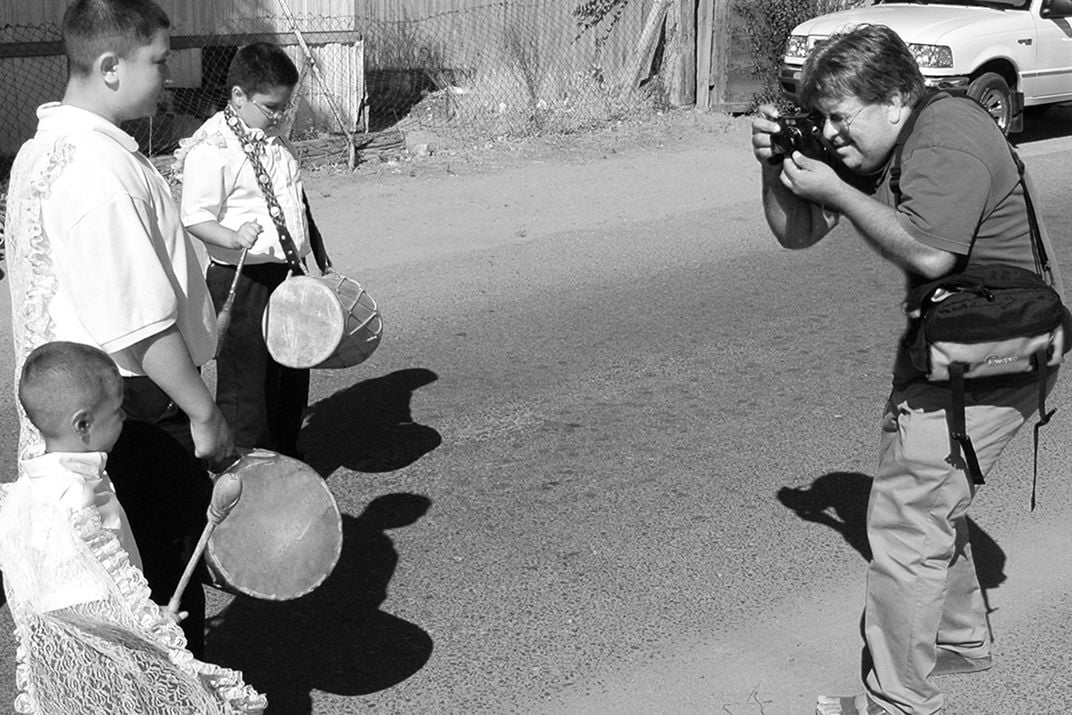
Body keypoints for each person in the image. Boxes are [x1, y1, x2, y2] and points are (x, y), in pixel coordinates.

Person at [750, 24, 1062, 715]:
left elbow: (928, 255)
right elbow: (797, 233)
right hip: (956, 345)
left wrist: (836, 189)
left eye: (841, 118)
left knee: (905, 523)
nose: (830, 134)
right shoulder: (893, 132)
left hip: (994, 352)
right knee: (922, 501)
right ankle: (956, 639)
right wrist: (776, 166)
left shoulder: (946, 134)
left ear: (895, 96)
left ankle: (898, 702)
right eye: (821, 118)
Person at [3, 0, 233, 656]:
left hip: (77, 410)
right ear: (109, 66)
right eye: (156, 61)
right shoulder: (100, 172)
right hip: (132, 412)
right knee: (163, 590)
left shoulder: (42, 150)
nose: (166, 75)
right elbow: (141, 324)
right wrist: (204, 412)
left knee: (118, 591)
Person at [0, 341, 266, 714]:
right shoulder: (75, 500)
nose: (124, 417)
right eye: (117, 411)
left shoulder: (30, 487)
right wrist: (150, 623)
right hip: (100, 657)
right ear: (83, 424)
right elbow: (82, 603)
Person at [177, 41, 310, 459]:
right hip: (242, 281)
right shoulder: (213, 147)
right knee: (245, 389)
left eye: (284, 107)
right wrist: (231, 236)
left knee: (289, 379)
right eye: (271, 107)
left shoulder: (270, 135)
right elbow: (194, 216)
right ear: (238, 96)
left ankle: (286, 462)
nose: (279, 116)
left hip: (285, 274)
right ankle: (246, 478)